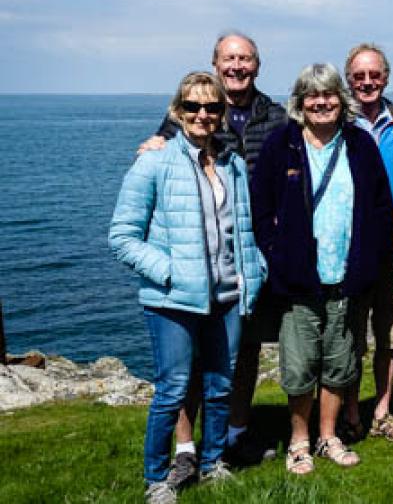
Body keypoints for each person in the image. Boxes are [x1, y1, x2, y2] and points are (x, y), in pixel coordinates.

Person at [109, 72, 267, 503]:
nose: (203, 114)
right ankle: (157, 478)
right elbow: (122, 236)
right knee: (173, 390)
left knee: (220, 386)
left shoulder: (232, 164)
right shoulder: (154, 162)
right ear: (177, 112)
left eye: (212, 107)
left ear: (221, 114)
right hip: (172, 299)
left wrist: (255, 271)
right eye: (193, 107)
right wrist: (172, 273)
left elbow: (244, 231)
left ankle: (214, 463)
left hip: (227, 295)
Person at [139, 32, 286, 478]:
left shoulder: (276, 116)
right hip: (193, 265)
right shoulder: (190, 116)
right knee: (189, 366)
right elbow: (162, 168)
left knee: (241, 357)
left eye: (245, 59)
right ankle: (185, 448)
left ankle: (231, 439)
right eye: (229, 58)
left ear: (257, 65)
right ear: (216, 63)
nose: (237, 66)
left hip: (251, 258)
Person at [251, 63, 393, 475]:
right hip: (298, 281)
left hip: (347, 278)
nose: (321, 102)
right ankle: (299, 440)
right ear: (299, 102)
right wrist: (276, 252)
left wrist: (371, 258)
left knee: (339, 362)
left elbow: (382, 207)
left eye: (329, 94)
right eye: (312, 96)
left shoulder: (360, 145)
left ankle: (328, 434)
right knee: (298, 367)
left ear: (341, 98)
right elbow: (261, 210)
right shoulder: (282, 144)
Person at [341, 43, 393, 443]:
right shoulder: (338, 122)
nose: (367, 82)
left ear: (386, 77)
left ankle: (382, 412)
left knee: (391, 333)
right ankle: (351, 413)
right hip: (350, 248)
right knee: (350, 336)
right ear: (348, 79)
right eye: (359, 76)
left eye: (374, 75)